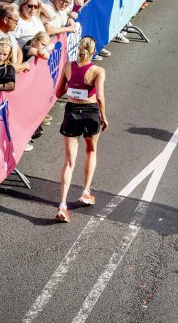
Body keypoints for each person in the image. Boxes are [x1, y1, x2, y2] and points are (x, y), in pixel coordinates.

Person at [54, 37, 108, 222]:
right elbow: (100, 97)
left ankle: (62, 205)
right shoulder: (97, 70)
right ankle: (85, 192)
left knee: (69, 161)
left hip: (71, 113)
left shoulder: (68, 66)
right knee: (91, 151)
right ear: (93, 51)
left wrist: (72, 85)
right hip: (91, 113)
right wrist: (104, 116)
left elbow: (58, 93)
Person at [0, 4, 30, 73]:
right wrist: (23, 66)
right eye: (16, 21)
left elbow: (19, 51)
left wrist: (17, 67)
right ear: (6, 20)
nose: (17, 24)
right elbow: (3, 69)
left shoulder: (8, 31)